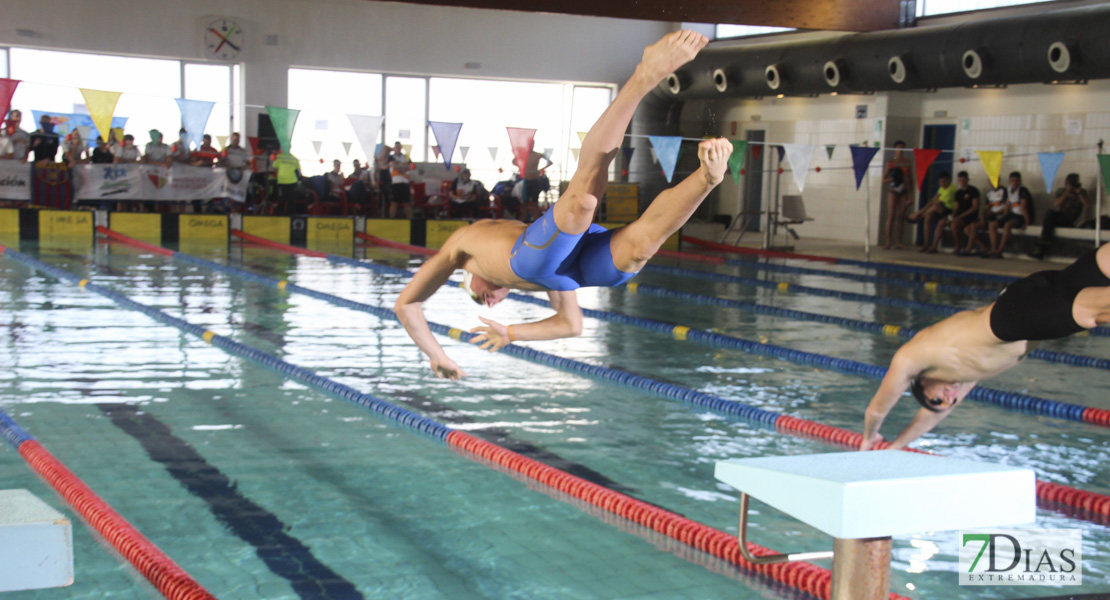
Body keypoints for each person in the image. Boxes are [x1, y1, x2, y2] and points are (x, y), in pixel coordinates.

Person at [394, 30, 718, 381]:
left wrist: (433, 352)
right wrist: (508, 333)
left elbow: (406, 304)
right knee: (640, 249)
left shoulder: (462, 244)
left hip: (535, 253)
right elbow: (571, 324)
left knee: (583, 200)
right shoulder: (538, 286)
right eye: (485, 305)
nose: (486, 301)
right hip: (571, 270)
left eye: (477, 297)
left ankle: (644, 77)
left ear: (469, 276)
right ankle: (707, 179)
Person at [862, 244, 1110, 450]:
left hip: (1014, 317)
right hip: (1026, 298)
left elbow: (876, 410)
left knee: (1100, 309)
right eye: (949, 401)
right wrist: (894, 449)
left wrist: (869, 439)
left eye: (937, 398)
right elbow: (935, 414)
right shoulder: (967, 372)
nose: (950, 398)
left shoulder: (914, 357)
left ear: (922, 383)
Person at [1032, 173, 1089, 260]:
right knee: (1049, 213)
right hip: (1060, 215)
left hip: (1071, 219)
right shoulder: (1062, 191)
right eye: (1071, 183)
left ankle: (1042, 246)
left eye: (1075, 182)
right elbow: (1056, 204)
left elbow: (1088, 205)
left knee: (1049, 225)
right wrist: (1066, 192)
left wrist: (1079, 192)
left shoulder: (1082, 191)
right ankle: (1044, 242)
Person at [906, 171, 957, 252]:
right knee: (928, 217)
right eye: (940, 182)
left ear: (948, 180)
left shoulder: (951, 190)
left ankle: (934, 247)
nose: (941, 183)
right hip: (943, 210)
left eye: (943, 181)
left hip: (952, 213)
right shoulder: (942, 187)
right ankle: (926, 244)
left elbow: (937, 203)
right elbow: (932, 201)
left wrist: (919, 213)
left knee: (940, 218)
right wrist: (920, 211)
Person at [986, 172, 1032, 258]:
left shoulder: (1022, 191)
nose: (1014, 183)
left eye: (1016, 181)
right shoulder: (1009, 190)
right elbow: (1007, 205)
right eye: (1012, 181)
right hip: (1013, 214)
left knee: (1008, 225)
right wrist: (1003, 218)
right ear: (1009, 181)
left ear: (1020, 181)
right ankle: (993, 249)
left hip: (1021, 216)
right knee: (992, 224)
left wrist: (1027, 222)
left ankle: (1000, 251)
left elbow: (1024, 208)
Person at [962, 178, 1006, 256]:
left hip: (999, 217)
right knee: (967, 229)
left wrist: (994, 214)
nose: (993, 182)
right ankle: (983, 247)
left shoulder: (1004, 191)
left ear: (998, 179)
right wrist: (983, 216)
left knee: (991, 224)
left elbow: (1006, 207)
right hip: (989, 216)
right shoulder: (989, 193)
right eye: (991, 180)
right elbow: (986, 207)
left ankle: (992, 250)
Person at [882, 141, 913, 250]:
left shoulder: (907, 163)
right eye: (899, 148)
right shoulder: (891, 163)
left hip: (904, 191)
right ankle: (888, 241)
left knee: (901, 217)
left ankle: (899, 241)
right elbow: (884, 179)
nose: (900, 150)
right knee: (891, 215)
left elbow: (910, 180)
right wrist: (893, 178)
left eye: (902, 148)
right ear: (894, 149)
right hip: (893, 191)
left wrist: (911, 196)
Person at [270, 148, 301, 215]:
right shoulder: (279, 157)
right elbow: (275, 168)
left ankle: (290, 217)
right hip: (281, 182)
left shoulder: (294, 158)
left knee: (291, 201)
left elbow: (298, 171)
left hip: (292, 182)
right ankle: (280, 216)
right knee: (281, 200)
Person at [387, 142, 412, 219]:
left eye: (399, 147)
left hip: (405, 182)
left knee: (406, 203)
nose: (398, 148)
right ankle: (392, 219)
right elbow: (392, 165)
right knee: (394, 202)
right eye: (396, 147)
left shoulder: (406, 157)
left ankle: (409, 219)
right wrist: (402, 166)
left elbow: (409, 166)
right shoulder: (391, 157)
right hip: (395, 183)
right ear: (394, 148)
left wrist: (398, 166)